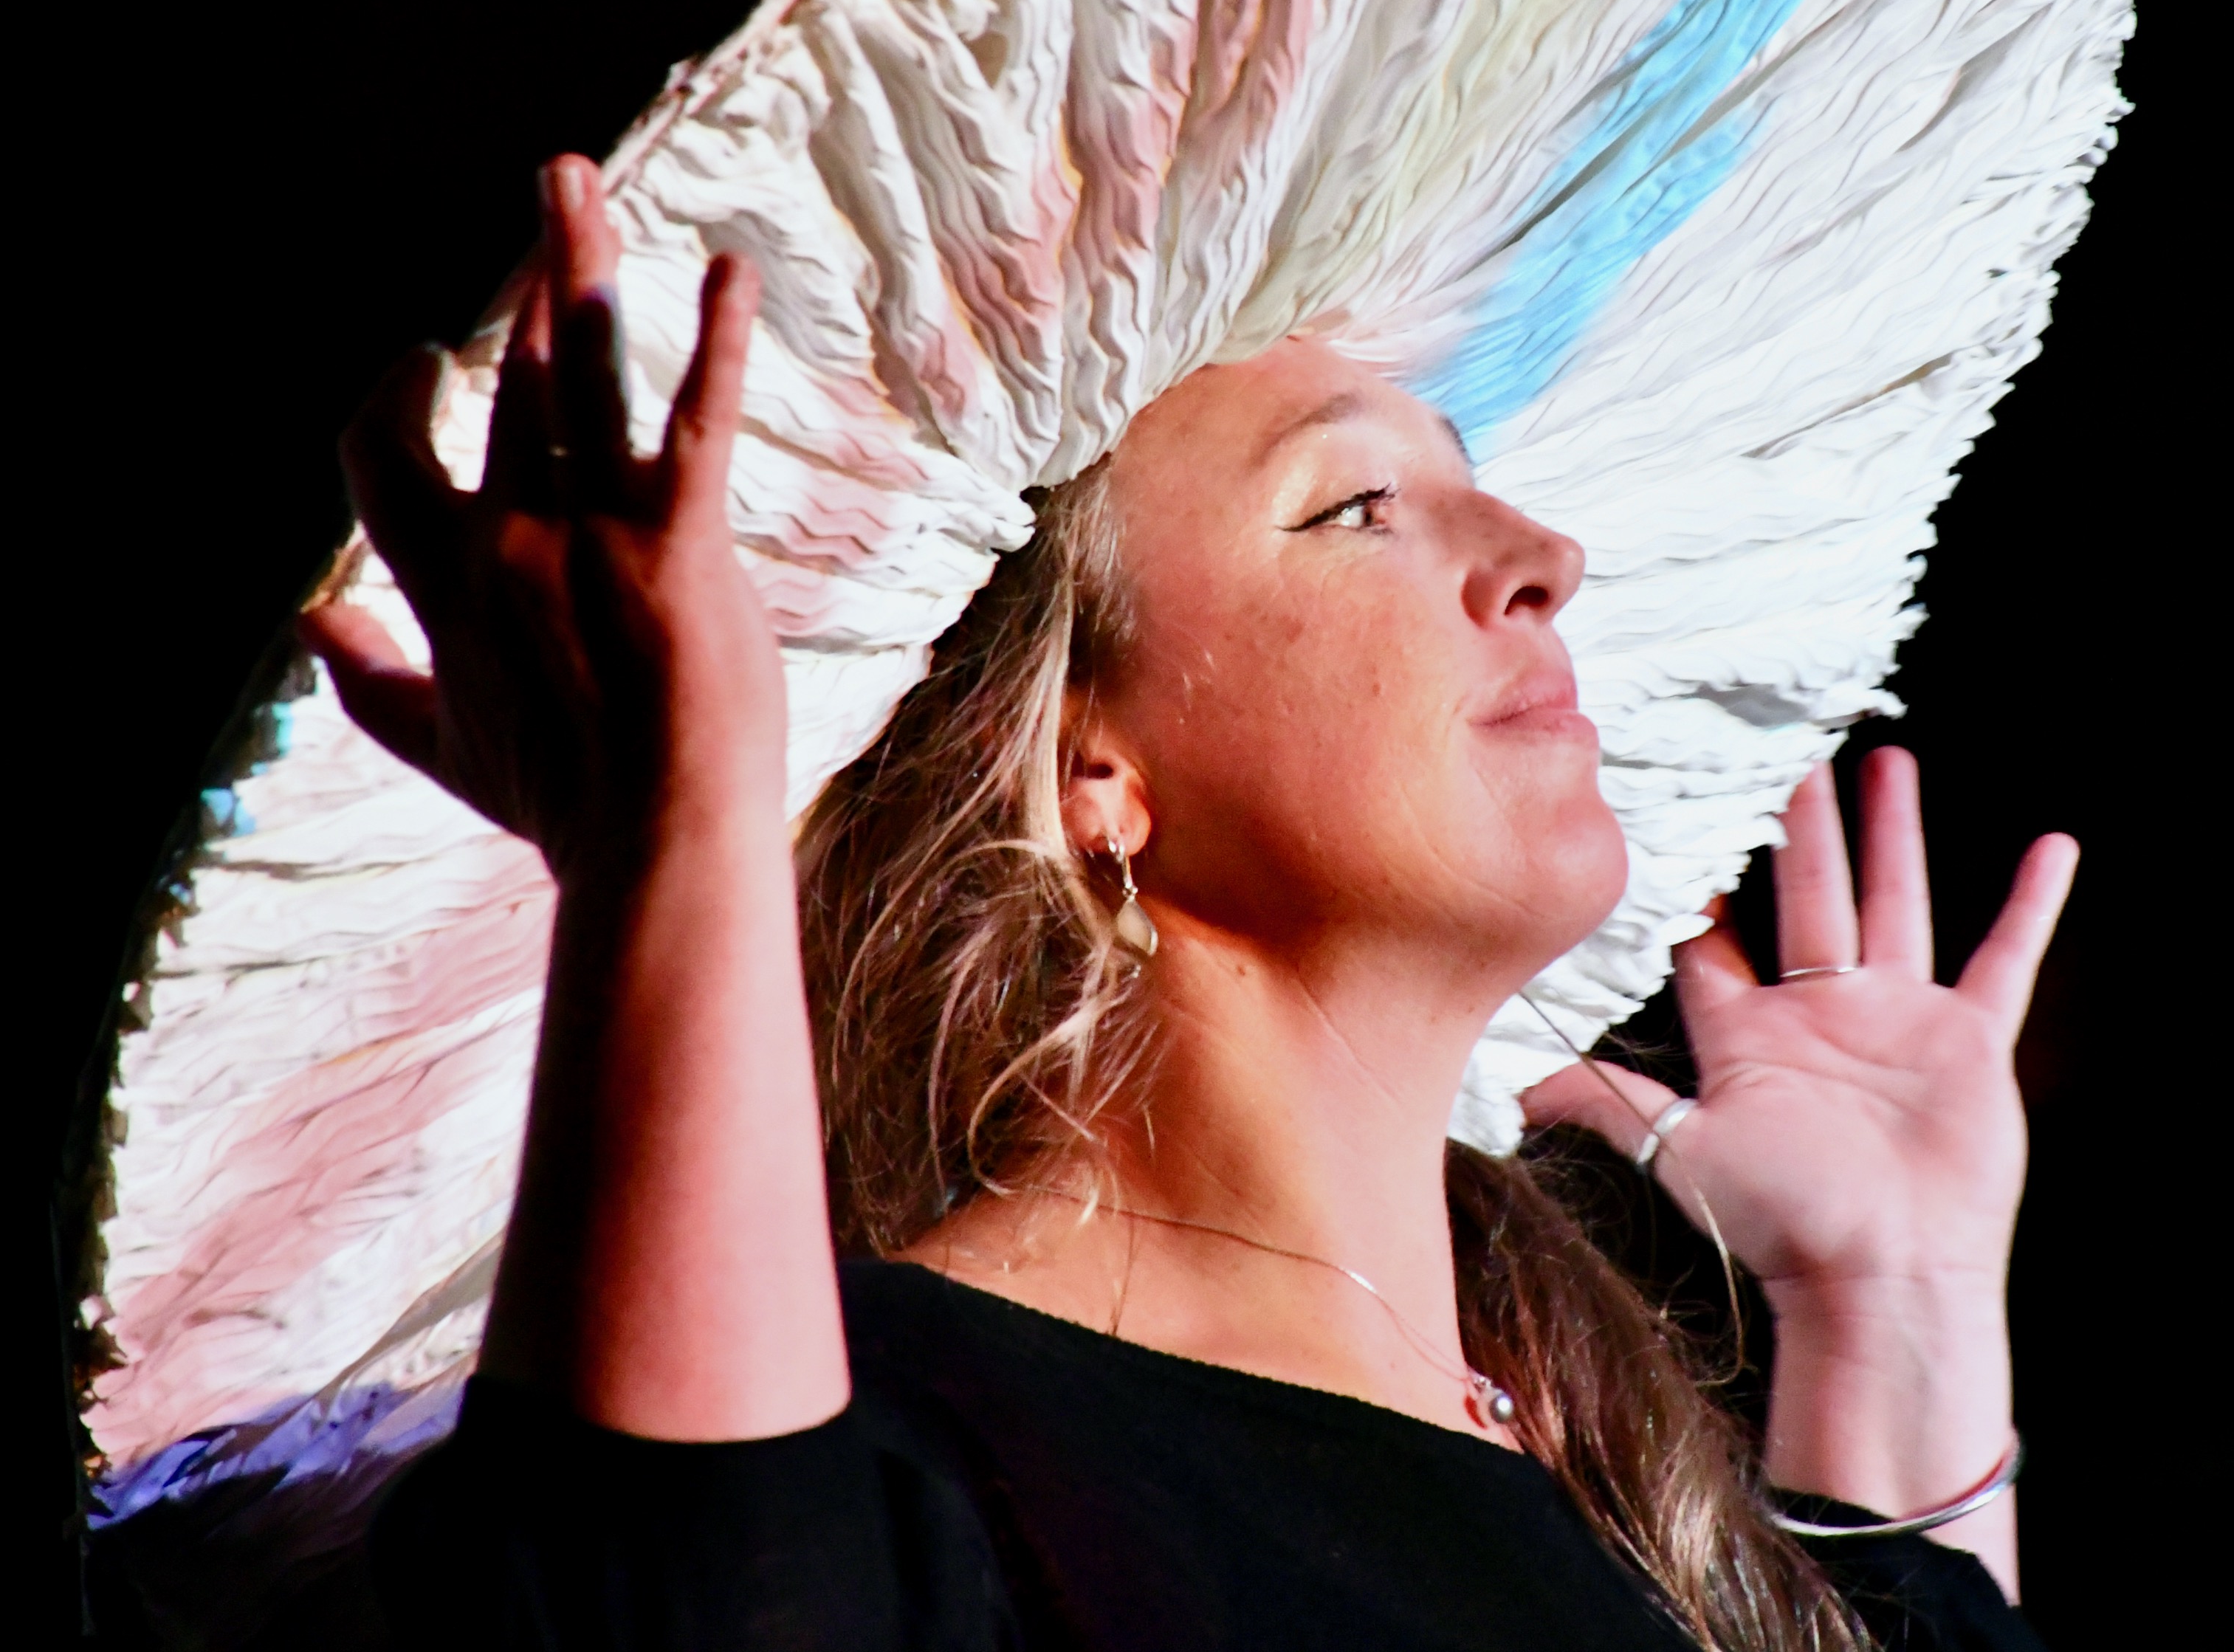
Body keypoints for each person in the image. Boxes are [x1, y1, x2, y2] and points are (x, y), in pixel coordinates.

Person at [306, 156, 2077, 1650]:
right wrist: (674, 831)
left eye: (1476, 487)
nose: (1548, 558)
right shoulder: (890, 1424)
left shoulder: (1615, 1477)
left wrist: (1890, 1290)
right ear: (1091, 770)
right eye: (1358, 505)